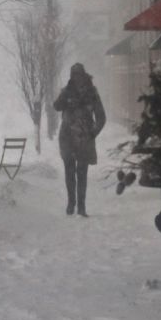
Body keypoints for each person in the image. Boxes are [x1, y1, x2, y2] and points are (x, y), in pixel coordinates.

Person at [53, 63, 106, 217]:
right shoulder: (67, 91)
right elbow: (56, 106)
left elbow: (101, 117)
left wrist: (92, 133)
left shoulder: (92, 93)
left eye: (79, 75)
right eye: (74, 75)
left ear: (84, 75)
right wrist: (65, 99)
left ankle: (81, 206)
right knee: (69, 171)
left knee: (82, 173)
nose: (77, 78)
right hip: (67, 137)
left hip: (84, 138)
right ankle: (71, 204)